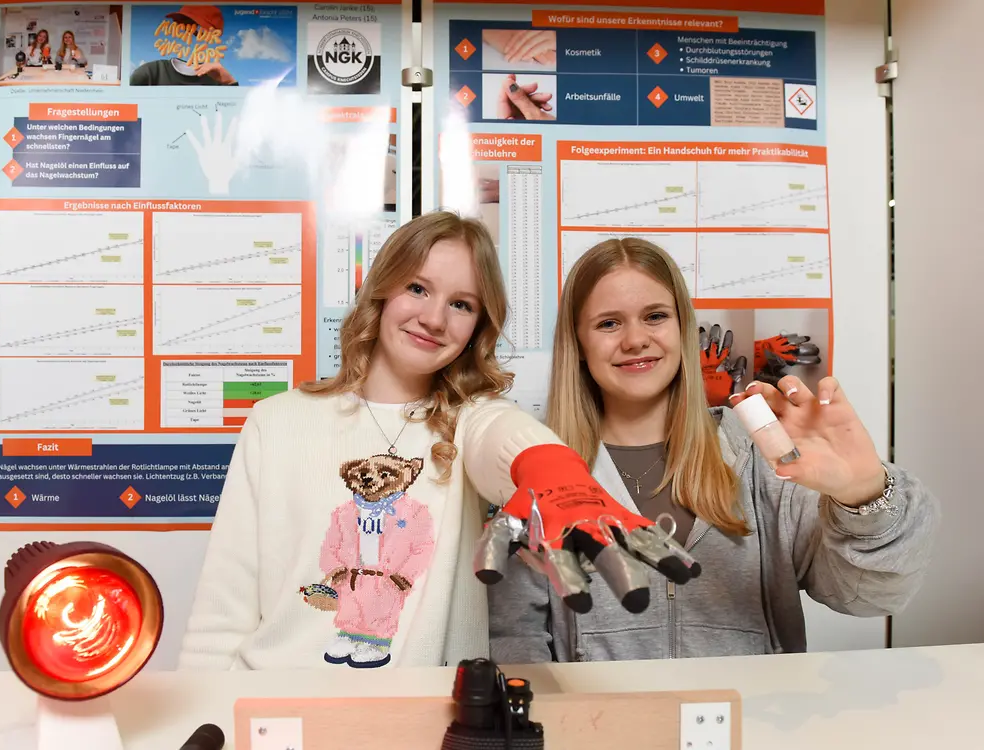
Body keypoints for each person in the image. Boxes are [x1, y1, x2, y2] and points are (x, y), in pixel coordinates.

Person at [177, 212, 671, 671]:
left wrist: (549, 467)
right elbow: (220, 622)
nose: (435, 319)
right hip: (277, 722)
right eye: (418, 288)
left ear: (478, 326)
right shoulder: (276, 422)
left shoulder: (471, 420)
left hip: (424, 727)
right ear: (382, 291)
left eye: (461, 304)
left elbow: (504, 438)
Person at [488, 237, 941, 663]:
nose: (634, 339)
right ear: (579, 344)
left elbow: (869, 596)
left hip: (756, 730)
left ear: (683, 329)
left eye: (655, 316)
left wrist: (863, 493)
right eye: (608, 323)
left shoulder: (759, 458)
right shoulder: (539, 472)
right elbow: (515, 642)